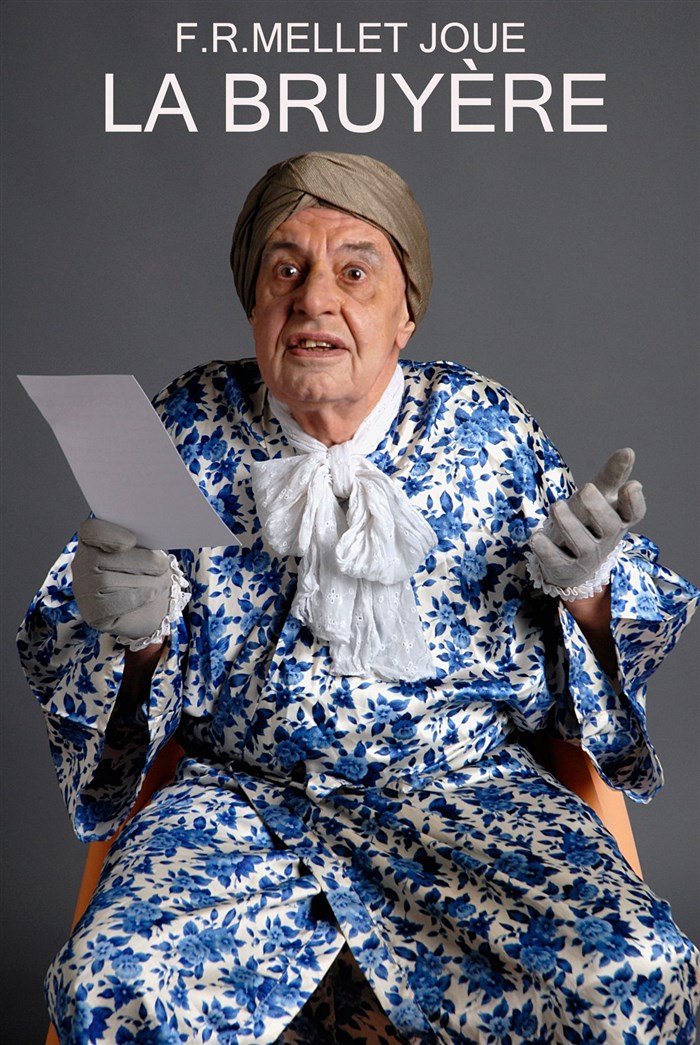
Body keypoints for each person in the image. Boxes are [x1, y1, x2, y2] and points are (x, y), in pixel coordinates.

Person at [18, 152, 699, 1045]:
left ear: (404, 311)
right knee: (111, 982)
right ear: (255, 302)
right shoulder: (182, 423)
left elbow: (588, 669)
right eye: (285, 269)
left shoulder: (484, 427)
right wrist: (137, 639)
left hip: (466, 799)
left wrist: (589, 594)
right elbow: (99, 659)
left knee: (635, 971)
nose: (313, 300)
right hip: (239, 809)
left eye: (353, 272)